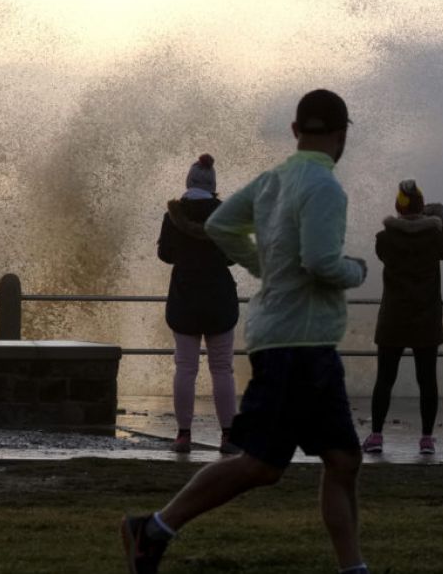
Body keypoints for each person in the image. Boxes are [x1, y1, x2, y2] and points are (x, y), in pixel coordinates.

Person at [121, 89, 371, 574]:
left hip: (300, 340)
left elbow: (220, 226)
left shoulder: (273, 180)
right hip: (296, 345)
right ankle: (151, 530)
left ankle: (353, 568)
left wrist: (266, 267)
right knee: (261, 465)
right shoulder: (325, 187)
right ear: (342, 135)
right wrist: (355, 271)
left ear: (297, 132)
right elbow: (321, 262)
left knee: (343, 460)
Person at [363, 180, 443, 456]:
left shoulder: (384, 240)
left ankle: (376, 435)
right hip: (426, 319)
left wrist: (416, 220)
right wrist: (442, 218)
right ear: (424, 208)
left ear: (397, 207)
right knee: (427, 380)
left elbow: (395, 238)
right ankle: (427, 439)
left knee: (385, 379)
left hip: (393, 319)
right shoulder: (434, 238)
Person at [157, 153, 241, 455]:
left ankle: (183, 435)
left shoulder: (173, 216)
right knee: (222, 369)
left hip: (185, 299)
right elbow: (233, 255)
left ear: (189, 182)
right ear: (213, 184)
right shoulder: (225, 214)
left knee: (185, 368)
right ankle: (228, 435)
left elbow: (165, 254)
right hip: (219, 299)